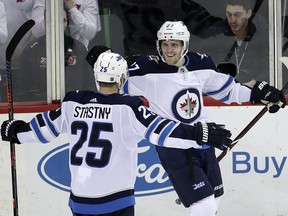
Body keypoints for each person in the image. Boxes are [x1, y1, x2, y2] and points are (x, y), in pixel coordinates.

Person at [0, 51, 233, 216]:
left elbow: (43, 128)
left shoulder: (73, 102)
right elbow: (161, 131)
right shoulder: (128, 107)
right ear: (122, 78)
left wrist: (16, 131)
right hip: (116, 202)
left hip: (79, 203)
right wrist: (197, 133)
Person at [121, 21, 285, 215]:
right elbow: (116, 85)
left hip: (204, 140)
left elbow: (228, 90)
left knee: (215, 197)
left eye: (174, 44)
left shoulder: (201, 63)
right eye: (165, 44)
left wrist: (257, 95)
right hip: (175, 146)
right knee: (204, 204)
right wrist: (103, 63)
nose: (169, 49)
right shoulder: (146, 69)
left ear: (184, 45)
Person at [17, 10, 95, 101]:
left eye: (63, 21)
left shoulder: (79, 48)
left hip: (73, 106)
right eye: (55, 21)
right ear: (46, 23)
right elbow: (22, 86)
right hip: (40, 105)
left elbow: (89, 84)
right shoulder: (32, 50)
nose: (59, 25)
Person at [195, 0, 269, 84]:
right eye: (229, 14)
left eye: (237, 15)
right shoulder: (214, 38)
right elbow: (200, 71)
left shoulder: (265, 39)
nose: (233, 20)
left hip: (254, 93)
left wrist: (254, 83)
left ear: (248, 13)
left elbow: (270, 70)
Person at [32, 0, 101, 49]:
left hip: (78, 52)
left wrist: (73, 10)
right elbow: (36, 31)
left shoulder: (87, 1)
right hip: (49, 51)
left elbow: (90, 33)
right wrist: (53, 12)